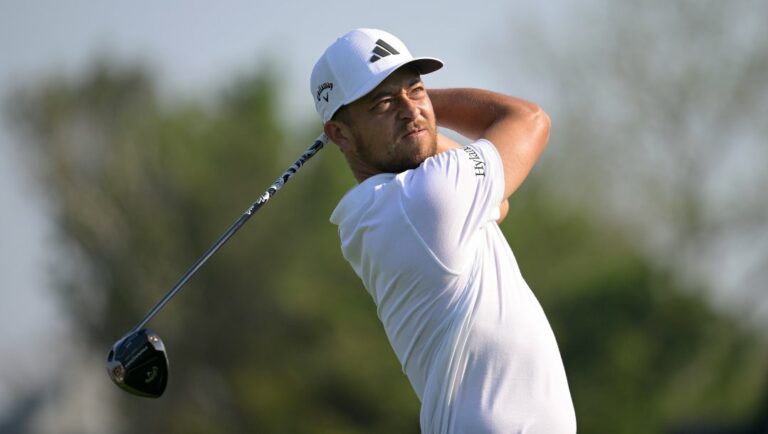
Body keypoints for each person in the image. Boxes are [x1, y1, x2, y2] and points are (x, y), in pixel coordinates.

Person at [310, 28, 576, 434]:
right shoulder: (428, 198)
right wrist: (428, 107)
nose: (410, 109)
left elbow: (497, 203)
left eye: (416, 90)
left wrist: (413, 115)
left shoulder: (381, 209)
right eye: (383, 101)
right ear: (340, 134)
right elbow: (528, 120)